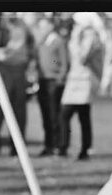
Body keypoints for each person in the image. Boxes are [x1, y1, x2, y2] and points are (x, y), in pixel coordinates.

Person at [0, 17, 36, 157]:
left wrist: (30, 67)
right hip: (2, 70)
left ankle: (17, 147)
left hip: (19, 70)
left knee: (19, 111)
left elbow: (31, 47)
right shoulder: (0, 24)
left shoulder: (23, 26)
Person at [58, 21, 103, 160]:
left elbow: (82, 58)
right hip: (73, 81)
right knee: (65, 115)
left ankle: (85, 150)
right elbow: (65, 59)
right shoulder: (74, 40)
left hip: (84, 81)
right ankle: (63, 146)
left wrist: (77, 39)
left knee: (83, 117)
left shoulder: (91, 41)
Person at [34, 16, 68, 157]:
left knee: (55, 115)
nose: (41, 29)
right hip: (42, 80)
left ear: (50, 26)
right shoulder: (42, 42)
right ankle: (48, 145)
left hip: (54, 81)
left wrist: (56, 67)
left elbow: (61, 61)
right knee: (46, 115)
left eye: (43, 26)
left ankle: (58, 145)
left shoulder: (57, 41)